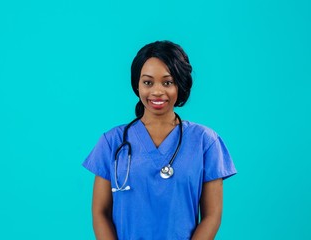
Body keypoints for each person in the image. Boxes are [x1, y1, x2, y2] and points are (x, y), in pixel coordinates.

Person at [82, 40, 237, 240]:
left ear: (180, 85)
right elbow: (100, 212)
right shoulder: (112, 142)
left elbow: (212, 216)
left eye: (167, 82)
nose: (157, 91)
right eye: (148, 82)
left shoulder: (205, 142)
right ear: (137, 85)